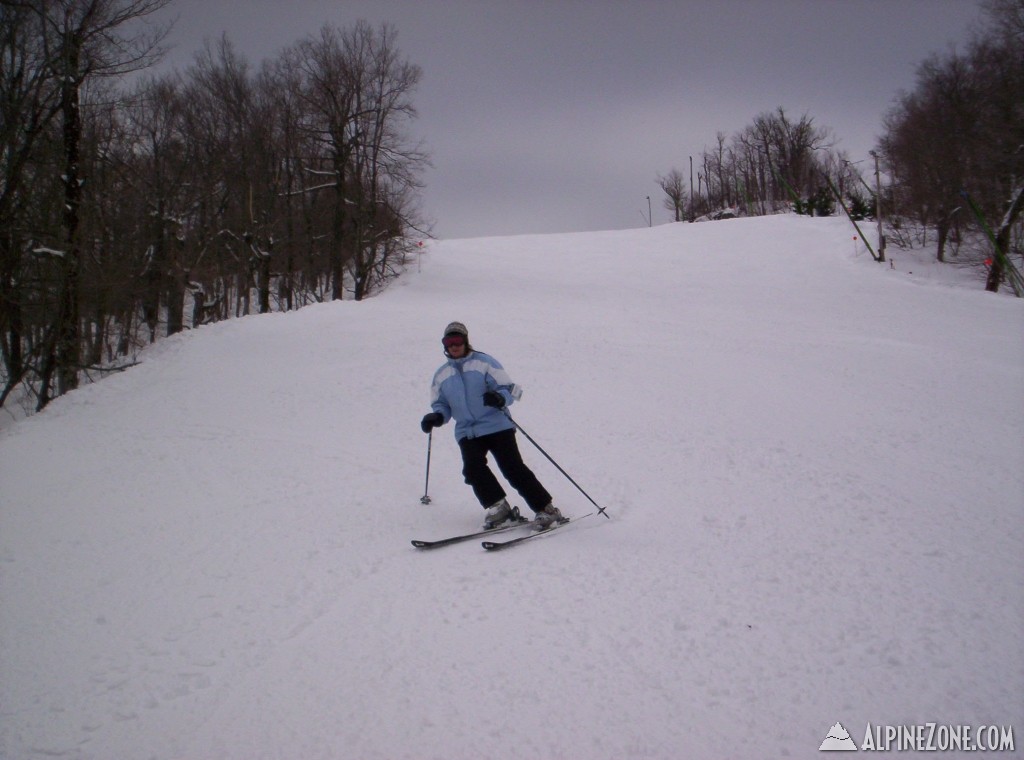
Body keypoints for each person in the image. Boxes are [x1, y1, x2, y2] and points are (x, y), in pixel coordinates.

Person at [420, 321, 565, 530]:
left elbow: (512, 390)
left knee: (512, 468)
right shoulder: (441, 375)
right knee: (472, 469)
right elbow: (441, 404)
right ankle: (499, 507)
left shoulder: (485, 362)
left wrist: (499, 397)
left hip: (497, 425)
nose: (454, 345)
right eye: (449, 341)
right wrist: (437, 417)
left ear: (466, 341)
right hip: (467, 431)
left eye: (458, 340)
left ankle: (546, 508)